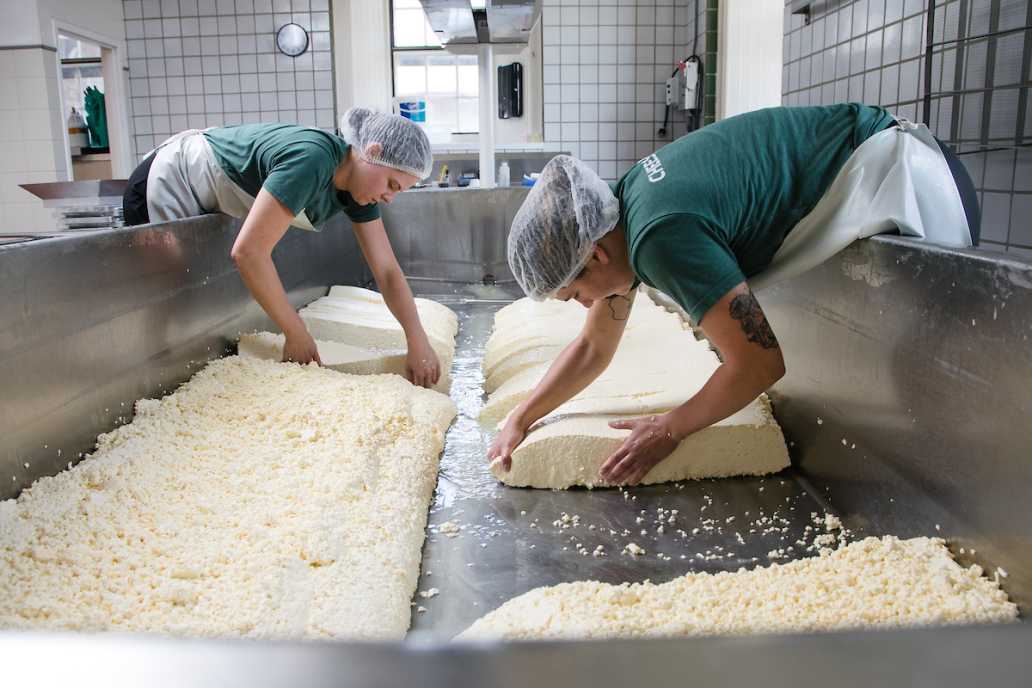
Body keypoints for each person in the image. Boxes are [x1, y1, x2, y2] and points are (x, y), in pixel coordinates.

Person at [490, 103, 980, 485]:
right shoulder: (626, 208)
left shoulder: (661, 236)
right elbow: (595, 346)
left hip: (908, 178)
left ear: (594, 255)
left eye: (573, 293)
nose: (583, 305)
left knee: (946, 377)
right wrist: (522, 417)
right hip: (889, 162)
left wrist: (670, 428)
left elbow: (761, 365)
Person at [122, 108, 441, 387]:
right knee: (168, 303)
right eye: (392, 185)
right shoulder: (311, 159)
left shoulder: (357, 188)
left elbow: (386, 271)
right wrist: (295, 331)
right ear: (371, 152)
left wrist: (417, 339)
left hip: (203, 196)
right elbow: (248, 252)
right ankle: (144, 392)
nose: (389, 197)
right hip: (166, 182)